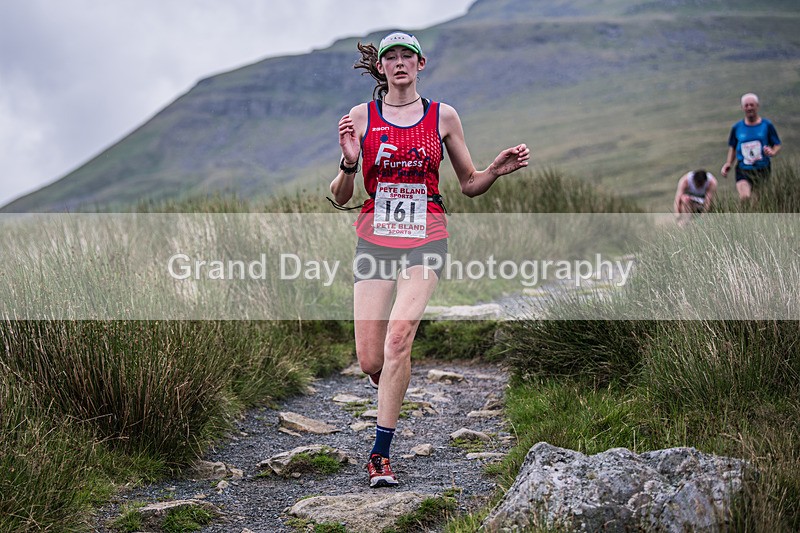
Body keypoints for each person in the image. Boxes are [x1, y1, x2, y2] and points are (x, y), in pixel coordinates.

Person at [329, 31, 529, 488]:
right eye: (391, 57)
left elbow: (469, 183)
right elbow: (340, 196)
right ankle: (391, 378)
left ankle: (380, 454)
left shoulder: (444, 116)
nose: (399, 63)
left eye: (408, 56)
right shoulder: (360, 117)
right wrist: (348, 163)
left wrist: (494, 171)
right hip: (375, 240)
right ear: (381, 67)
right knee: (370, 360)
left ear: (421, 64)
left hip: (426, 235)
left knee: (399, 337)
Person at [720, 93, 782, 200]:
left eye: (752, 105)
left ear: (757, 106)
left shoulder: (766, 125)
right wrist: (729, 163)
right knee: (745, 198)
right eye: (746, 105)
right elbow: (733, 147)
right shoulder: (737, 127)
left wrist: (772, 152)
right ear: (742, 108)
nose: (749, 108)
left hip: (762, 168)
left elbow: (777, 144)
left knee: (759, 200)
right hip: (743, 169)